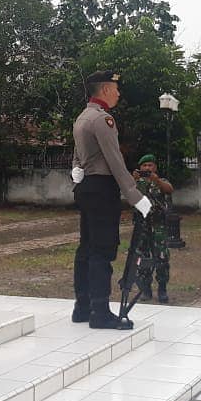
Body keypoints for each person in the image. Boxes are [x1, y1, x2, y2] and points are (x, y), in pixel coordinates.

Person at [70, 71, 153, 330]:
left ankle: (82, 307)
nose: (118, 93)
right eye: (115, 88)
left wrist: (76, 171)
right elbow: (114, 161)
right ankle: (100, 312)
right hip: (102, 187)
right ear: (105, 90)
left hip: (86, 186)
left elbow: (77, 154)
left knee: (86, 247)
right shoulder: (103, 119)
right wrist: (136, 196)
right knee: (102, 250)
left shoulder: (82, 117)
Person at [131, 154, 174, 303]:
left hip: (158, 225)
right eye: (144, 166)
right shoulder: (136, 183)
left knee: (161, 257)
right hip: (141, 225)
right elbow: (128, 195)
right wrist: (134, 180)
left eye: (150, 165)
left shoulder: (161, 181)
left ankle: (162, 288)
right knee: (142, 257)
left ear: (155, 167)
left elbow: (169, 189)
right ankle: (145, 289)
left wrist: (157, 181)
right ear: (140, 168)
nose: (147, 168)